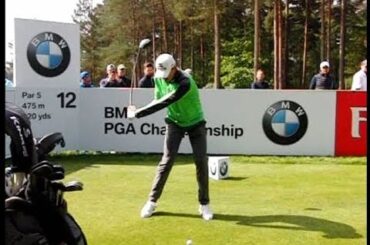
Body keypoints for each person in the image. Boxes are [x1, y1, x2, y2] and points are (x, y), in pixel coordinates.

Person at [128, 53, 213, 221]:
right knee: (166, 162)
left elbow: (166, 101)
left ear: (174, 68)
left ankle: (204, 204)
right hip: (174, 122)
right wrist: (137, 111)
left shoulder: (185, 82)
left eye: (167, 74)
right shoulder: (159, 78)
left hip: (195, 122)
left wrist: (138, 114)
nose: (164, 79)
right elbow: (157, 99)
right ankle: (152, 201)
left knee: (201, 161)